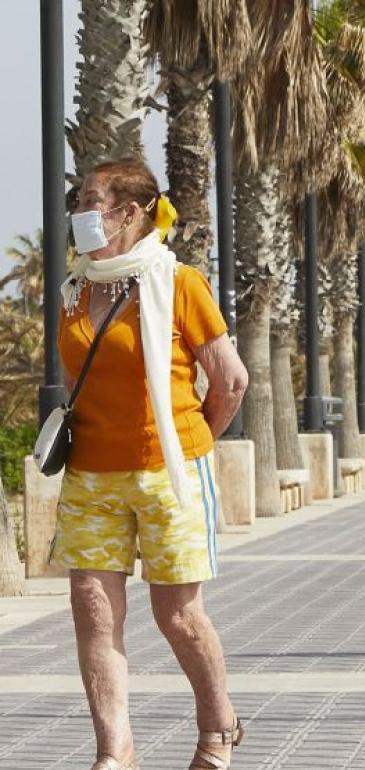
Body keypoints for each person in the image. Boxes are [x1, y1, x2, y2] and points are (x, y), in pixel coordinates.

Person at [52, 159, 249, 770]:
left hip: (170, 473)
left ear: (130, 213)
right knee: (92, 608)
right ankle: (116, 752)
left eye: (90, 202)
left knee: (179, 615)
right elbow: (73, 378)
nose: (77, 215)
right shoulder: (74, 288)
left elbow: (231, 380)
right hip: (90, 473)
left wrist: (193, 446)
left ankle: (218, 724)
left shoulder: (180, 282)